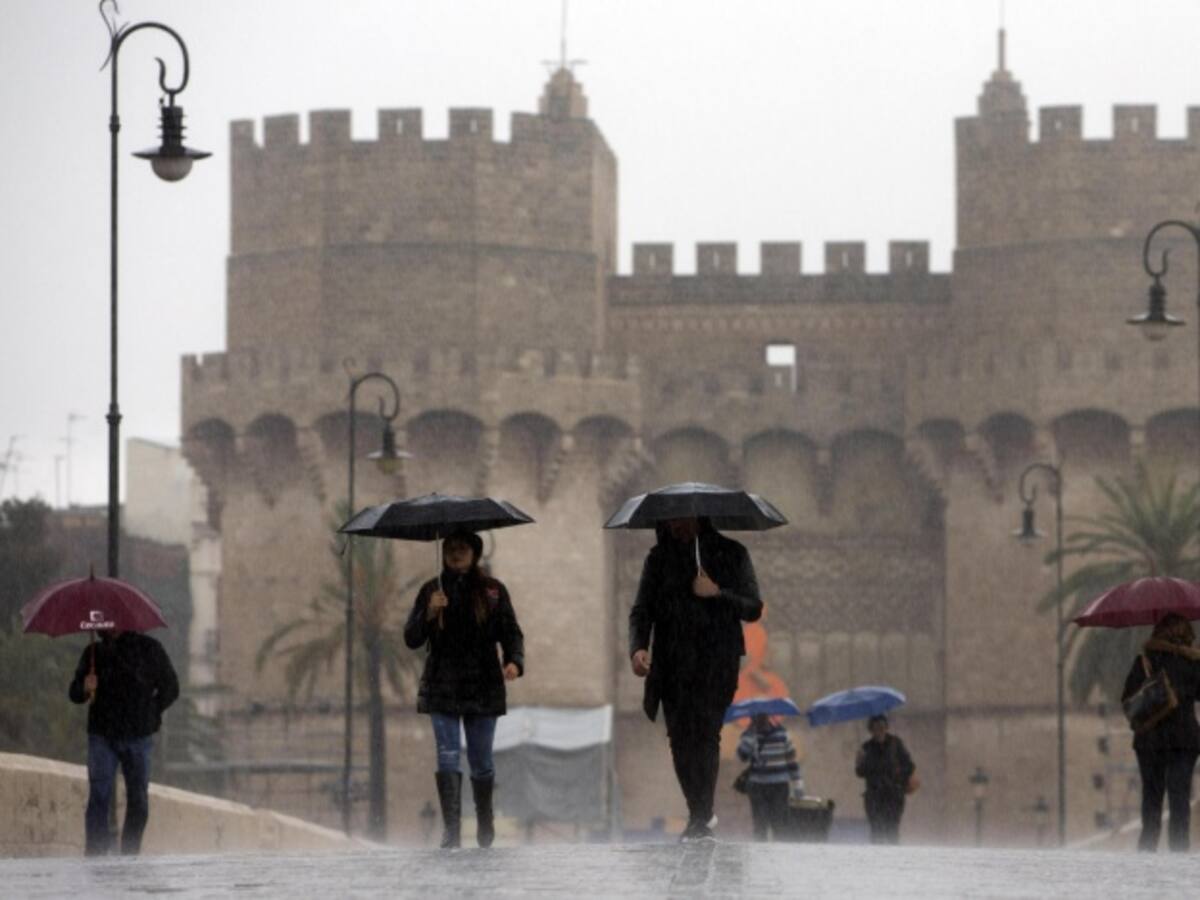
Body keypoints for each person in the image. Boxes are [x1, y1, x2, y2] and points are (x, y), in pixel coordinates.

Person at [629, 516, 762, 841]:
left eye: (682, 519)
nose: (676, 526)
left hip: (715, 661)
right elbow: (642, 609)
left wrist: (717, 593)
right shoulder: (659, 559)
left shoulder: (732, 553)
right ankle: (698, 811)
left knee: (705, 734)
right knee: (679, 739)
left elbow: (753, 607)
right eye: (670, 520)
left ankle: (701, 814)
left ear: (699, 517)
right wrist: (638, 648)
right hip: (672, 663)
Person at [404, 529, 524, 849]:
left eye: (462, 549)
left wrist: (514, 661)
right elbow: (411, 638)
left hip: (483, 684)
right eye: (451, 549)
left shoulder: (494, 592)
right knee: (446, 755)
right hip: (442, 684)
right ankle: (451, 831)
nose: (456, 554)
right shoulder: (432, 590)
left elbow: (511, 632)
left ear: (475, 554)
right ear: (443, 553)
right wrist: (429, 612)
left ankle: (485, 822)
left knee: (481, 760)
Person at [68, 628, 179, 856]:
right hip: (102, 735)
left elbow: (171, 687)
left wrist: (152, 712)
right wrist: (85, 688)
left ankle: (130, 852)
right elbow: (75, 693)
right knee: (99, 794)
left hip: (138, 735)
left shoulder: (149, 649)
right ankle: (95, 853)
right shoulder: (93, 653)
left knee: (138, 798)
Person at [1121, 612, 1200, 853]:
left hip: (1150, 740)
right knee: (1179, 799)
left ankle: (1147, 849)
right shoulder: (1193, 661)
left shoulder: (1144, 660)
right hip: (1183, 741)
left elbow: (1127, 699)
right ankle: (1179, 850)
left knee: (1152, 798)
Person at [737, 712, 804, 841]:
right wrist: (750, 737)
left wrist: (798, 784)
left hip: (779, 786)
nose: (758, 718)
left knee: (779, 824)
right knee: (760, 825)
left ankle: (779, 856)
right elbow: (742, 756)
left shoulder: (782, 734)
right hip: (758, 787)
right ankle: (760, 855)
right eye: (756, 716)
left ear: (767, 716)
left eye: (761, 716)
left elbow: (791, 761)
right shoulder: (750, 734)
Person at [854, 714, 915, 844]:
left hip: (894, 795)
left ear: (887, 728)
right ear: (871, 730)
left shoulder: (896, 744)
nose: (879, 731)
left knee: (892, 829)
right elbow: (860, 773)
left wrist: (899, 774)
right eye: (875, 728)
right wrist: (859, 762)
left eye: (882, 727)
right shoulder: (867, 747)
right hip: (874, 796)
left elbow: (909, 766)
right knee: (876, 830)